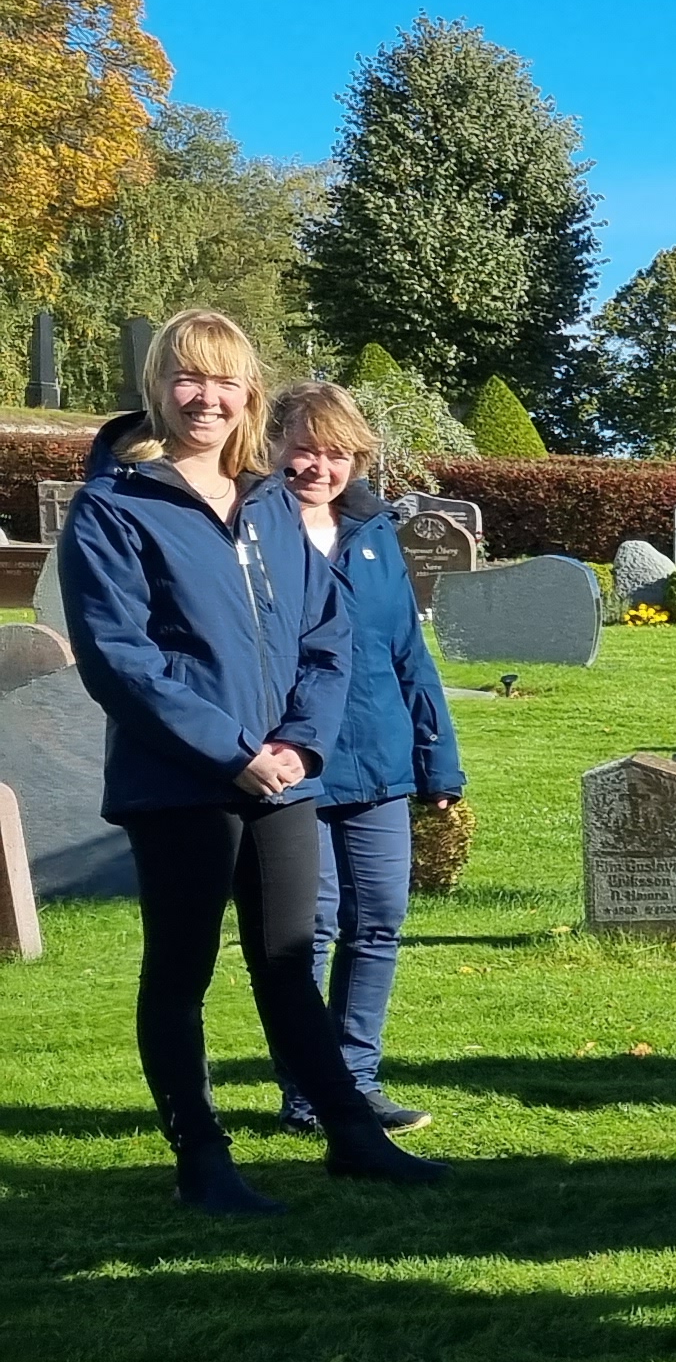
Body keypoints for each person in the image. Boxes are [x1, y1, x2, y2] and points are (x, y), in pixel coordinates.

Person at [60, 311, 438, 1209]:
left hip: (282, 775)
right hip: (181, 781)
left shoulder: (268, 501)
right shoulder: (115, 508)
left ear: (248, 393)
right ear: (159, 387)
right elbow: (122, 658)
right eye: (190, 380)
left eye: (226, 381)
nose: (208, 399)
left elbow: (326, 632)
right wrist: (232, 755)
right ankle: (201, 1155)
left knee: (287, 955)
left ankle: (348, 1134)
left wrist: (298, 742)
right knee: (182, 968)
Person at [265, 379, 461, 1138]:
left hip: (378, 758)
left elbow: (408, 651)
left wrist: (437, 760)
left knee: (378, 918)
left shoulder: (375, 532)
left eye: (337, 452)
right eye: (305, 449)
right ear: (273, 447)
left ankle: (357, 1079)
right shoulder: (254, 526)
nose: (320, 466)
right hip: (292, 761)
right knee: (306, 930)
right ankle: (308, 1094)